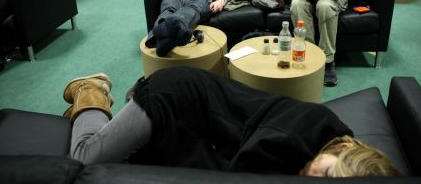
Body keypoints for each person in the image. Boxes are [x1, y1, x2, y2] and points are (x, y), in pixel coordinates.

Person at [62, 65, 400, 177]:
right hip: (177, 98)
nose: (315, 177)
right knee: (83, 159)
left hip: (203, 110)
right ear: (344, 149)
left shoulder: (326, 135)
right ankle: (90, 91)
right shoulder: (287, 140)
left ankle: (131, 103)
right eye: (327, 173)